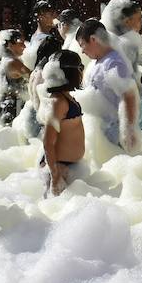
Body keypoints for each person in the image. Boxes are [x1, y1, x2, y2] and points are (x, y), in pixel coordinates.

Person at [77, 18, 139, 152]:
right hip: (100, 132)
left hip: (114, 133)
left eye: (82, 44)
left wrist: (128, 131)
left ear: (93, 39)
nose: (82, 51)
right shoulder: (97, 62)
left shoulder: (114, 62)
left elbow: (128, 96)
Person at [39, 51, 86, 196]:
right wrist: (55, 175)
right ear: (70, 72)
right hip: (59, 169)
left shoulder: (65, 97)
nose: (82, 72)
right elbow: (48, 142)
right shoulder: (58, 102)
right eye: (80, 68)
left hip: (69, 168)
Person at [0, 30, 29, 127]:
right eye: (20, 43)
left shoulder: (5, 60)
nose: (25, 46)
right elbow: (33, 76)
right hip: (11, 107)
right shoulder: (13, 62)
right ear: (10, 44)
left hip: (3, 105)